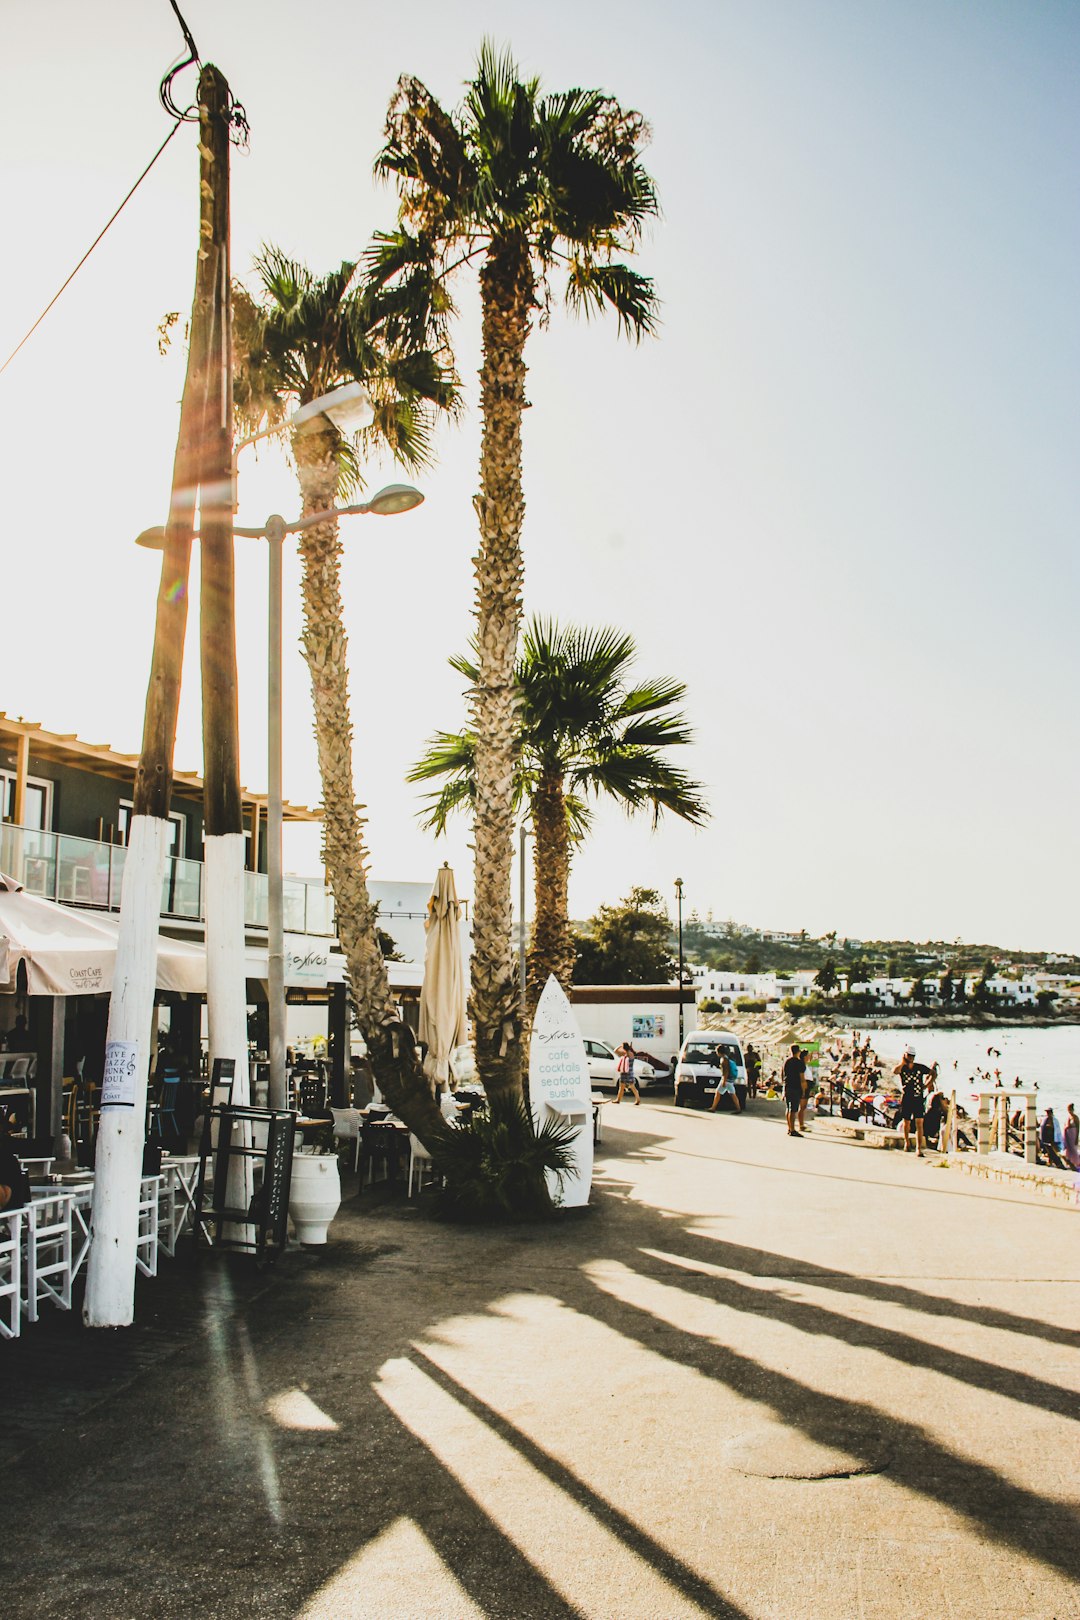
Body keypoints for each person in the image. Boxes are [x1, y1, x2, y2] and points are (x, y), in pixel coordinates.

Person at [894, 1046, 929, 1155]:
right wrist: (902, 1062)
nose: (911, 1058)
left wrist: (927, 1085)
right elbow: (895, 1071)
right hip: (907, 1098)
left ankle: (918, 1148)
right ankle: (907, 1142)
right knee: (906, 1122)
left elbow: (932, 1073)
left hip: (918, 1097)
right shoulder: (902, 1068)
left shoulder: (919, 1067)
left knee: (919, 1122)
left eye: (912, 1056)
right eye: (909, 1055)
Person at [708, 1049, 741, 1113]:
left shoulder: (724, 1060)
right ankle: (713, 1107)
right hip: (729, 1079)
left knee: (728, 1093)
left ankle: (713, 1108)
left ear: (719, 1052)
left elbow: (726, 1071)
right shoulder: (726, 1058)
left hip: (727, 1080)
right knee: (728, 1093)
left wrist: (724, 1080)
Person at [782, 1044, 805, 1137]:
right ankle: (792, 1129)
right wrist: (803, 1090)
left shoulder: (787, 1061)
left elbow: (783, 1074)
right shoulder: (799, 1063)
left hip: (788, 1086)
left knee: (788, 1108)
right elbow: (802, 1078)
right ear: (798, 1052)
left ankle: (789, 1127)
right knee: (794, 1109)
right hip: (796, 1087)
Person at [1063, 1104, 1080, 1171]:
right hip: (1068, 1134)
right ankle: (1070, 1162)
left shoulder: (1075, 1117)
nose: (1069, 1111)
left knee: (1074, 1148)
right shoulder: (1068, 1117)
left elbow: (1078, 1128)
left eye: (1070, 1109)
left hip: (1073, 1133)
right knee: (1069, 1149)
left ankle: (1077, 1163)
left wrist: (1077, 1138)